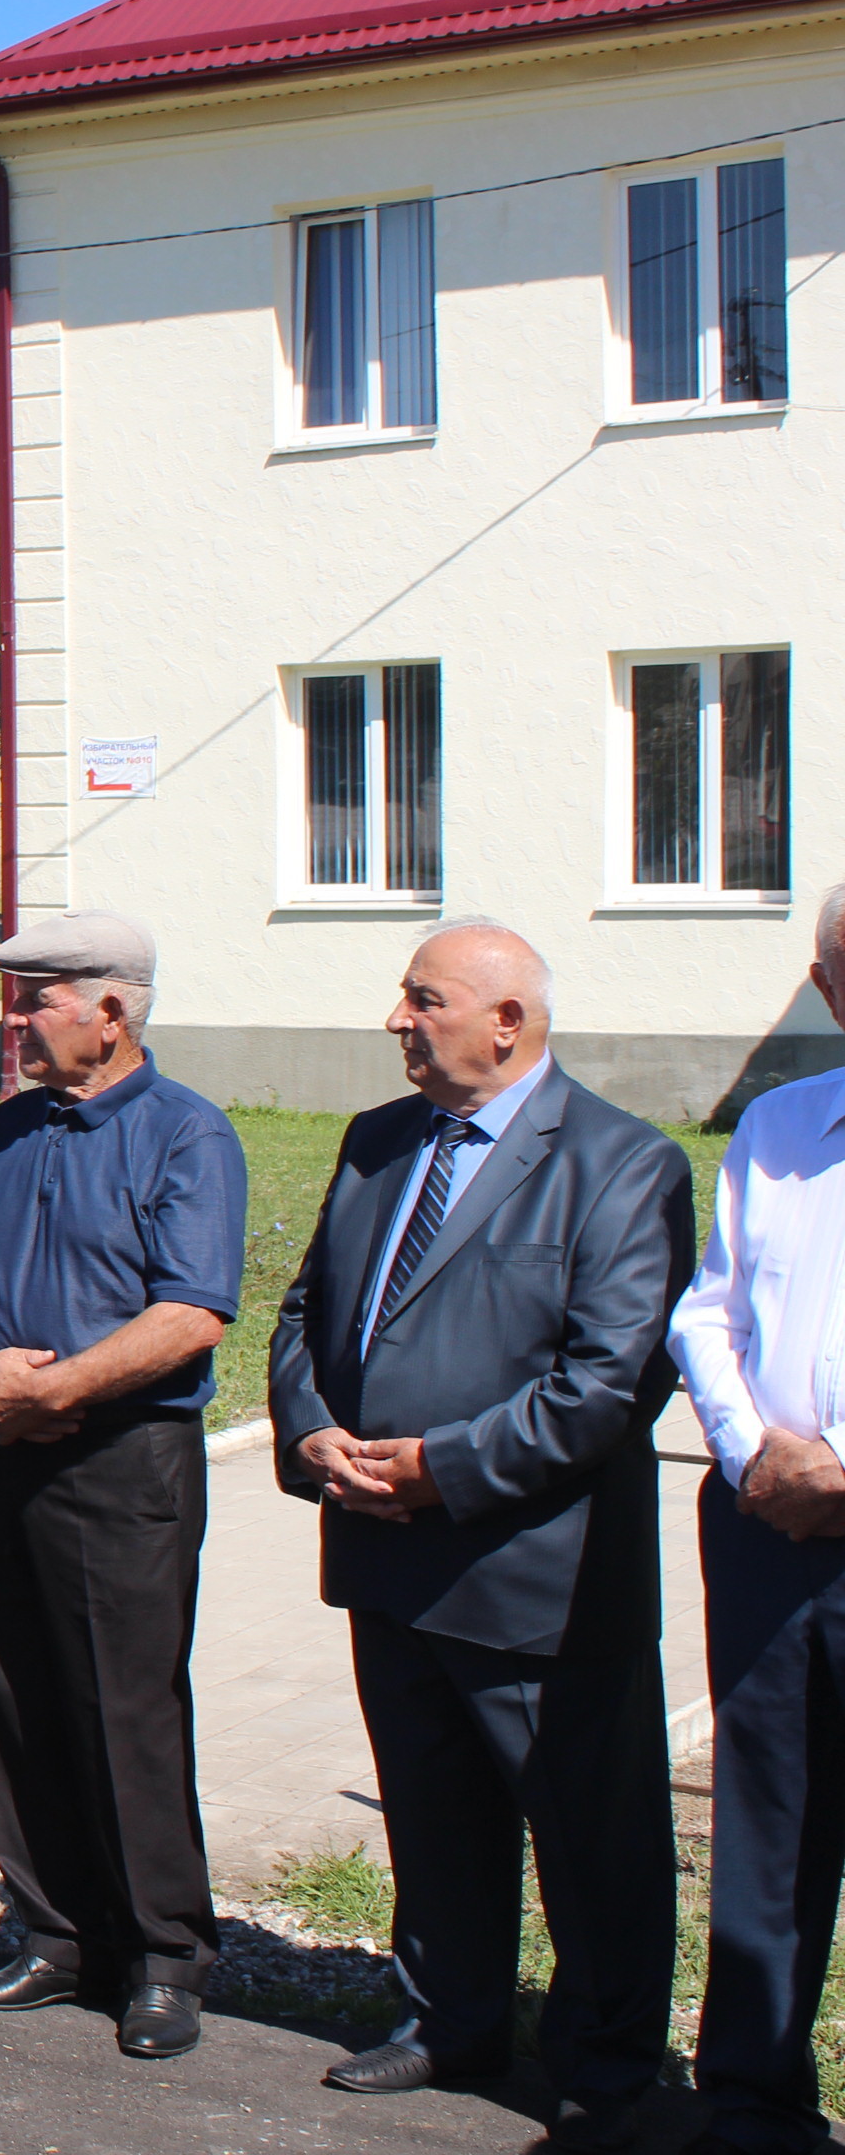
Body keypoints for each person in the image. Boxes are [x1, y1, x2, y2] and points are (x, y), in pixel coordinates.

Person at [268, 920, 689, 2140]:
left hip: (535, 1576)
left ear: (508, 1019)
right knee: (433, 1812)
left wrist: (441, 1470)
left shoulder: (620, 1163)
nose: (397, 1020)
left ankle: (608, 2068)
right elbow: (306, 1311)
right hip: (389, 1561)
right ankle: (450, 2020)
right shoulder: (377, 1142)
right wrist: (309, 1433)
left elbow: (609, 1384)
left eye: (422, 998)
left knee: (592, 1837)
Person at [0, 910, 245, 2061]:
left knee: (126, 1705)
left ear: (111, 1012)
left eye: (35, 1001)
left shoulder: (186, 1137)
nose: (14, 1021)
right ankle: (52, 1933)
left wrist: (58, 1394)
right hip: (2, 1446)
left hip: (122, 1461)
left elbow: (193, 1311)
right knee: (16, 1690)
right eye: (14, 1000)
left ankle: (162, 1954)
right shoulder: (2, 1132)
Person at [669, 881, 845, 2155]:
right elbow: (707, 1314)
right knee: (770, 1819)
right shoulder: (781, 1126)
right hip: (770, 1530)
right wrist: (753, 1459)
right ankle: (749, 2100)